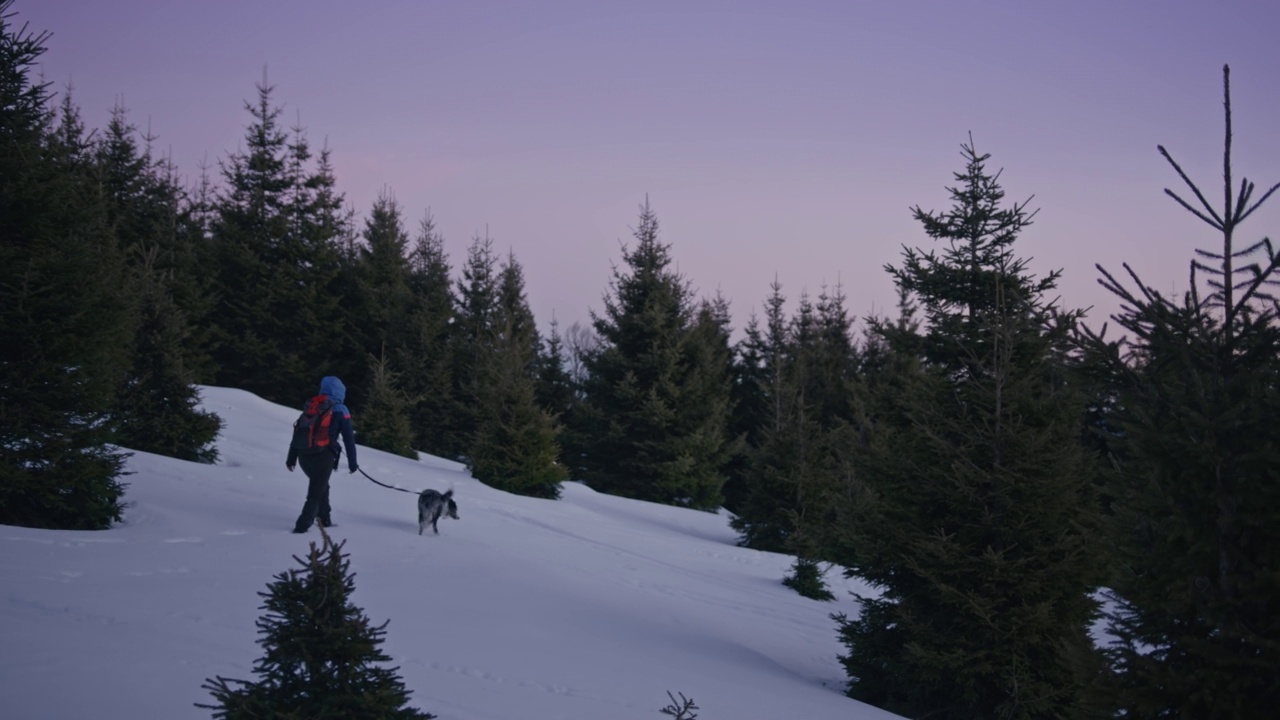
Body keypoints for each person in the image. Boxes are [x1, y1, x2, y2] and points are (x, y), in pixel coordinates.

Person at [286, 375, 358, 533]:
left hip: (303, 454)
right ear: (341, 392)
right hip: (323, 456)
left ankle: (324, 518)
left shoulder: (313, 405)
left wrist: (291, 458)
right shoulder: (341, 410)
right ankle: (301, 528)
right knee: (315, 492)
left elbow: (298, 431)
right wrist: (353, 463)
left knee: (321, 486)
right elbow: (349, 440)